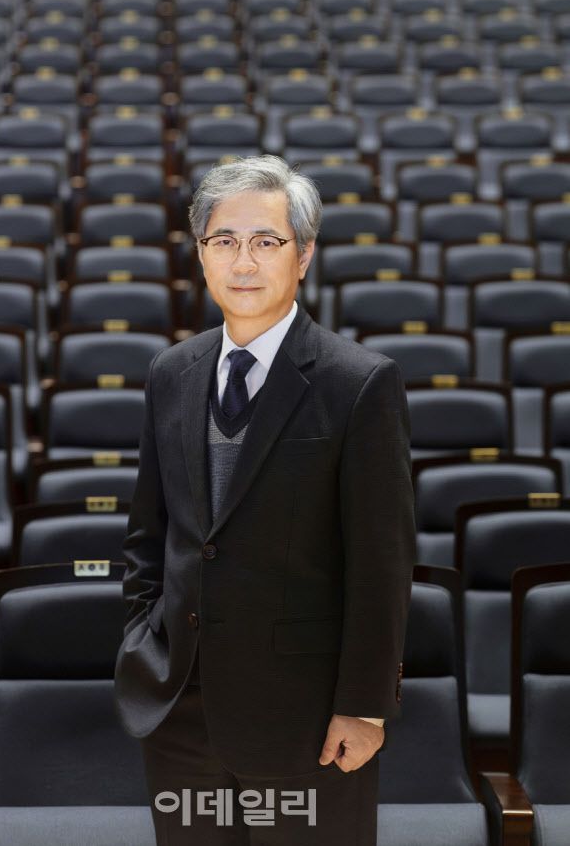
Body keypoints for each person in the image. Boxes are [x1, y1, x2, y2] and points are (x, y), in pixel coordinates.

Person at [115, 154, 416, 845]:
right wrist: (143, 638)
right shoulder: (171, 372)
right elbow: (149, 535)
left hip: (308, 723)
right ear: (201, 254)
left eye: (266, 241)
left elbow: (381, 563)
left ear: (303, 255)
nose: (243, 261)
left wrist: (364, 705)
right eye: (224, 240)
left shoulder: (360, 383)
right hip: (180, 713)